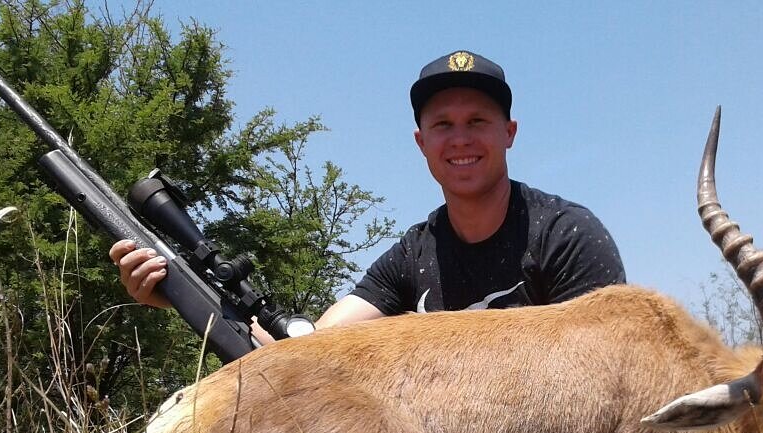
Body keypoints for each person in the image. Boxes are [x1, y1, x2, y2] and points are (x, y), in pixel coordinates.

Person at [110, 50, 625, 338]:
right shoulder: (412, 254)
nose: (461, 139)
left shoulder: (567, 235)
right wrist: (182, 298)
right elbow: (317, 346)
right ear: (422, 143)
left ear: (509, 133)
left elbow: (605, 367)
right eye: (443, 125)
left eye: (477, 122)